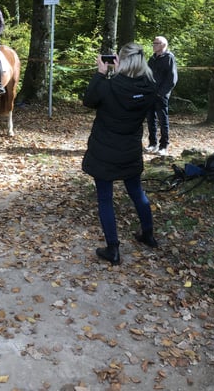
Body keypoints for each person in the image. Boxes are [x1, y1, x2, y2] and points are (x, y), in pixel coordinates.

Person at [81, 43, 158, 265]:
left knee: (105, 198)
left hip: (104, 149)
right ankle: (148, 234)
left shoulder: (109, 86)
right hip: (130, 149)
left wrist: (101, 73)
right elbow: (133, 93)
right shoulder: (150, 87)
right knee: (137, 192)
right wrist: (117, 73)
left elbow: (89, 100)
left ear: (120, 61)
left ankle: (113, 249)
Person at [146, 36, 178, 157]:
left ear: (163, 45)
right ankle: (152, 143)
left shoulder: (169, 58)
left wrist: (161, 93)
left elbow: (172, 79)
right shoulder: (152, 59)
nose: (153, 45)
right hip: (150, 94)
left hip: (161, 95)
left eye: (156, 43)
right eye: (153, 43)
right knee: (150, 120)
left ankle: (163, 146)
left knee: (163, 121)